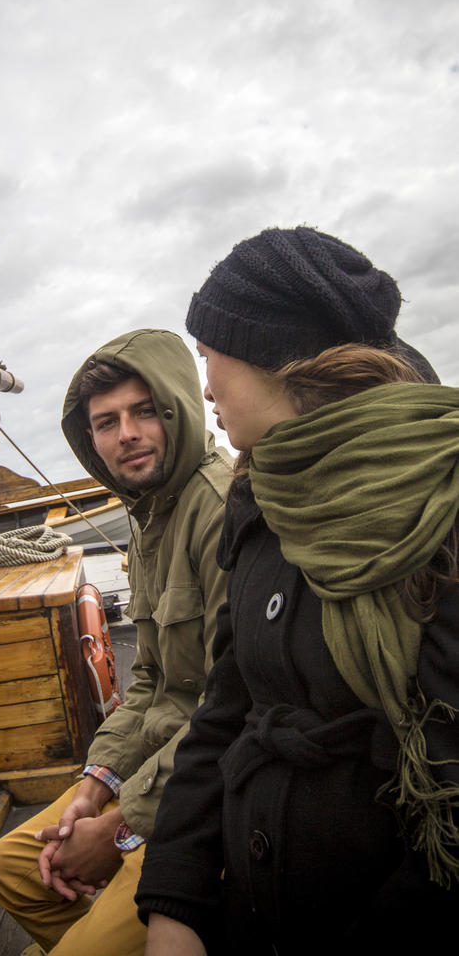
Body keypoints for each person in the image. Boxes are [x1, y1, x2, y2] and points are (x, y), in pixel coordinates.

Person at [136, 227, 459, 955]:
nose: (205, 385)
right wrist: (174, 901)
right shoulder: (257, 498)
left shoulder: (439, 503)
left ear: (274, 361)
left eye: (209, 357)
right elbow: (225, 708)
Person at [0, 328, 234, 955]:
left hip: (209, 794)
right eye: (106, 421)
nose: (127, 433)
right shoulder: (151, 514)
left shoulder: (220, 510)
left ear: (178, 407)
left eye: (145, 411)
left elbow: (235, 709)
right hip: (151, 765)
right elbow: (148, 678)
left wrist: (120, 827)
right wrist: (96, 784)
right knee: (9, 867)